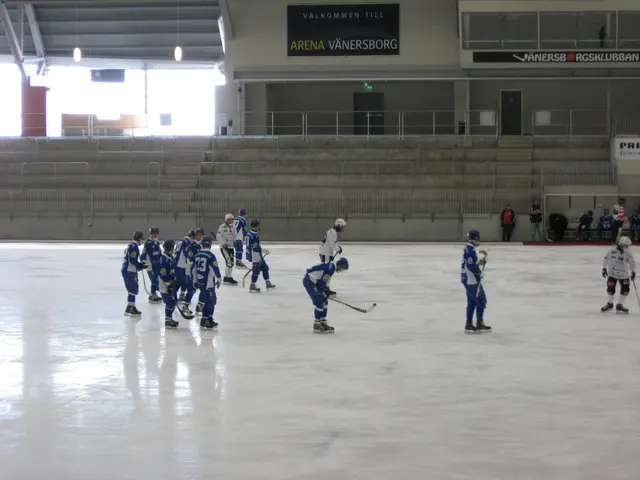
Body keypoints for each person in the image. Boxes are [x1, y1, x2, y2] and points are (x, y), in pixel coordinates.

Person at [303, 257, 349, 334]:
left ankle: (322, 322)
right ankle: (317, 324)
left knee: (325, 301)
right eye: (342, 268)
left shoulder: (332, 267)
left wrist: (326, 291)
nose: (341, 270)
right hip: (310, 281)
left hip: (315, 282)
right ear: (339, 265)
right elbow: (321, 282)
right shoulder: (330, 268)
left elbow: (325, 281)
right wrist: (323, 292)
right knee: (319, 302)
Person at [461, 230, 491, 333]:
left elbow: (471, 263)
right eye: (477, 239)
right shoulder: (470, 251)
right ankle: (479, 323)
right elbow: (471, 266)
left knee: (472, 301)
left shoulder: (468, 249)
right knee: (481, 300)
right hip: (472, 281)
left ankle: (469, 323)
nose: (478, 241)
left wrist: (480, 262)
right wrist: (478, 273)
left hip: (467, 280)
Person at [601, 236, 636, 314]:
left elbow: (632, 263)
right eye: (625, 245)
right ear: (621, 244)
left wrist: (633, 272)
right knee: (610, 289)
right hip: (612, 274)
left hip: (624, 275)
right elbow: (605, 259)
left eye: (628, 246)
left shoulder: (628, 254)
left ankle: (619, 305)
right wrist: (604, 268)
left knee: (625, 290)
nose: (627, 247)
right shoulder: (612, 251)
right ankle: (610, 304)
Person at [194, 236, 222, 329]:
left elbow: (193, 269)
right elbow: (215, 268)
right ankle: (205, 319)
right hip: (208, 282)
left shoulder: (197, 254)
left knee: (208, 300)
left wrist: (195, 280)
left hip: (200, 280)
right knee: (211, 301)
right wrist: (219, 278)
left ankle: (208, 318)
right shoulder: (211, 256)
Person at [121, 231, 149, 316]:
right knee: (132, 289)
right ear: (139, 239)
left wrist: (139, 266)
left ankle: (131, 306)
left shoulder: (130, 246)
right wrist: (140, 265)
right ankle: (130, 308)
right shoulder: (134, 247)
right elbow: (132, 260)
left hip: (129, 269)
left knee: (132, 289)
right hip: (129, 270)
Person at [246, 219, 276, 293]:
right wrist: (249, 256)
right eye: (258, 225)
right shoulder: (250, 235)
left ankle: (267, 283)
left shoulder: (255, 234)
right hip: (255, 256)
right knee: (256, 271)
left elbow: (257, 246)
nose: (259, 227)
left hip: (259, 255)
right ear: (255, 226)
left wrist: (263, 251)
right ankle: (252, 285)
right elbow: (248, 246)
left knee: (265, 268)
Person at [158, 239, 179, 328]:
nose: (174, 249)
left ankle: (169, 318)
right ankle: (167, 319)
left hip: (171, 284)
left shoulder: (170, 258)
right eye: (173, 247)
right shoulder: (164, 260)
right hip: (165, 286)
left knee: (173, 301)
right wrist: (168, 285)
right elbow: (163, 275)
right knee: (169, 302)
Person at [140, 227, 162, 303]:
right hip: (150, 266)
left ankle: (154, 294)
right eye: (153, 233)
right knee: (154, 280)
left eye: (156, 233)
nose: (155, 235)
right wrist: (142, 261)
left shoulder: (157, 243)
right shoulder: (148, 243)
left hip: (157, 265)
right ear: (151, 234)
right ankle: (152, 295)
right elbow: (143, 254)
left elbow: (159, 254)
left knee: (156, 280)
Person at [216, 213, 238, 286]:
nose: (230, 221)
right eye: (228, 220)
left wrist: (236, 242)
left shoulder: (233, 227)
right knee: (229, 262)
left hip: (231, 247)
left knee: (230, 262)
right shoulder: (222, 227)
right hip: (224, 247)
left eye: (231, 219)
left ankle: (226, 277)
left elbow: (235, 236)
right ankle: (229, 278)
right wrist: (223, 243)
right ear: (226, 220)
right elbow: (218, 236)